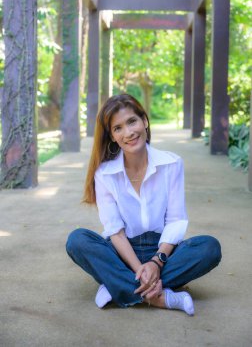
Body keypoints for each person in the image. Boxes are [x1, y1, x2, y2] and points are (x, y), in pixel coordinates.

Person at [66, 94, 221, 316]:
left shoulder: (172, 163)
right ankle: (160, 297)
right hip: (121, 251)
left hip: (162, 251)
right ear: (112, 136)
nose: (128, 133)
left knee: (209, 248)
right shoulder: (105, 174)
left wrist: (156, 263)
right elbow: (116, 232)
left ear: (144, 122)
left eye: (132, 121)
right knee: (77, 240)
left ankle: (117, 284)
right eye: (118, 128)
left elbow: (176, 220)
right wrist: (140, 269)